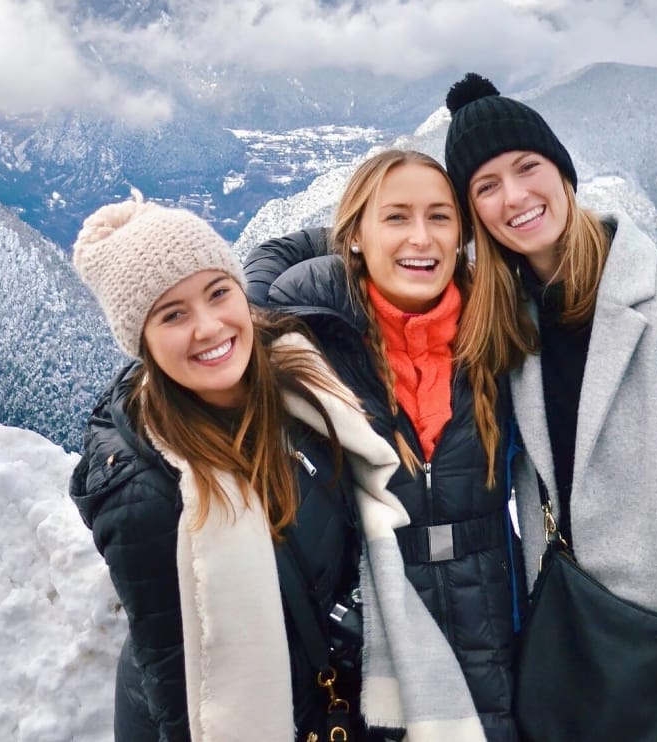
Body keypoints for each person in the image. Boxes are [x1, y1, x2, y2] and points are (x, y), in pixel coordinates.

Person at [442, 73, 657, 741]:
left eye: (528, 167)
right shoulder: (508, 321)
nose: (514, 196)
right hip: (575, 650)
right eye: (486, 187)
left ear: (563, 172)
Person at [67, 199, 485, 742]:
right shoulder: (147, 496)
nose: (209, 326)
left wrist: (395, 243)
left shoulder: (289, 378)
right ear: (140, 342)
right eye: (173, 314)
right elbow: (180, 690)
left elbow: (287, 251)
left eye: (219, 293)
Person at [244, 149, 522, 741]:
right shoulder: (311, 343)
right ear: (354, 237)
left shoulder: (502, 330)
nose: (420, 238)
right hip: (369, 659)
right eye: (395, 217)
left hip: (500, 637)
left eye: (440, 217)